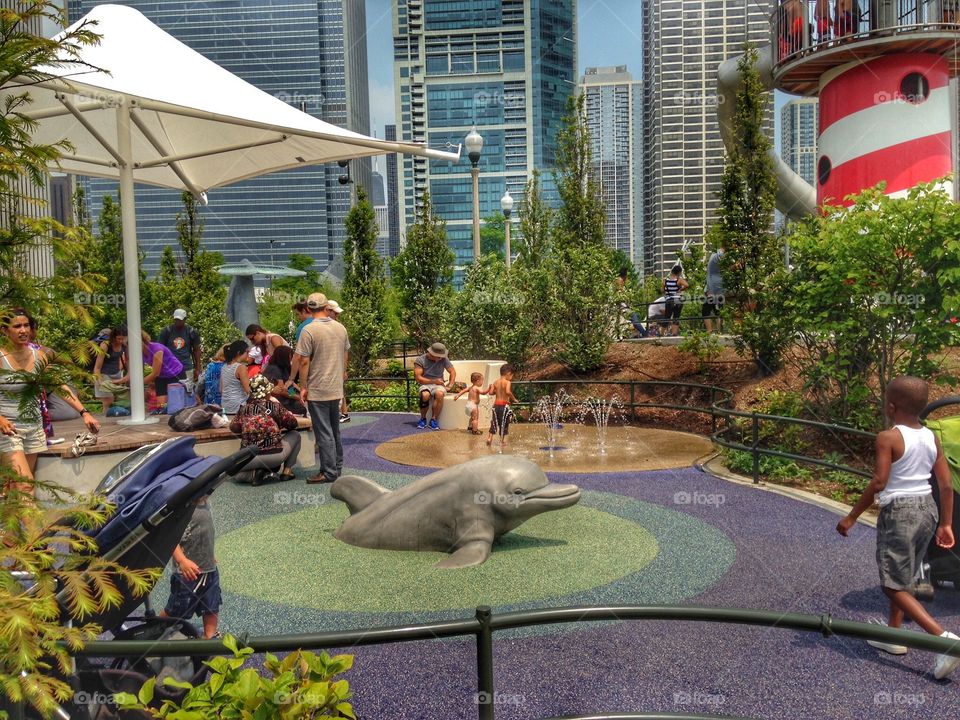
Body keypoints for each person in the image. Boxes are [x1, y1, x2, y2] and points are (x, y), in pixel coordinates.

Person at [836, 376, 960, 680]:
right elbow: (945, 484)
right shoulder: (932, 436)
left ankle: (942, 639)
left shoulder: (888, 437)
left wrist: (851, 517)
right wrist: (946, 523)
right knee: (905, 576)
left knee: (892, 584)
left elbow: (879, 481)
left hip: (901, 512)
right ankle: (895, 637)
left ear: (891, 406)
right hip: (927, 510)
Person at [0, 308, 100, 493]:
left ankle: (11, 520)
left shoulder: (39, 356)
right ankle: (38, 524)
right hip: (7, 430)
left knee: (15, 487)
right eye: (17, 326)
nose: (23, 330)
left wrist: (84, 413)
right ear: (5, 330)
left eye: (26, 325)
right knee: (25, 484)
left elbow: (58, 385)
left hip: (33, 427)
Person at [296, 293, 350, 485]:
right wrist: (341, 375)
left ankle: (328, 472)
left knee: (323, 431)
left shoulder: (308, 331)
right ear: (327, 307)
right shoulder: (340, 328)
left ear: (309, 309)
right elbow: (345, 356)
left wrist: (303, 387)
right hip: (335, 387)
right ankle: (337, 466)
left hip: (317, 388)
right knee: (335, 430)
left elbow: (303, 361)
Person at [159, 497, 220, 639]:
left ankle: (209, 636)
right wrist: (181, 560)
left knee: (212, 605)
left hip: (209, 568)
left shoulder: (205, 502)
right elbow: (170, 538)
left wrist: (209, 554)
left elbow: (205, 533)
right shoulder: (182, 507)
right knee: (176, 609)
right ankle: (156, 627)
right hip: (187, 573)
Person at [229, 374, 301, 483]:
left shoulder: (244, 409)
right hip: (274, 456)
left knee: (237, 476)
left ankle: (255, 474)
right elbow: (293, 424)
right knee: (295, 434)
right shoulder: (275, 406)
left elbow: (233, 428)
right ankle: (286, 472)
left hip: (249, 458)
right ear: (267, 392)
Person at [414, 342, 456, 430]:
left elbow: (452, 371)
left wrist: (450, 385)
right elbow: (418, 378)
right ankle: (423, 418)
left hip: (439, 384)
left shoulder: (444, 359)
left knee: (439, 394)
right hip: (425, 383)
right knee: (425, 395)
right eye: (438, 356)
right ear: (432, 354)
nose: (440, 358)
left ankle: (433, 420)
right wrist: (434, 381)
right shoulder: (420, 360)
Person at [158, 309, 201, 396]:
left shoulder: (191, 332)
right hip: (170, 368)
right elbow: (159, 350)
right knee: (171, 392)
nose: (178, 322)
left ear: (185, 319)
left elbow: (196, 350)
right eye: (176, 320)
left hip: (186, 367)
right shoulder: (166, 331)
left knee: (188, 392)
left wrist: (198, 368)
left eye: (180, 320)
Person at [141, 331, 185, 410]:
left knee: (176, 404)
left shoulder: (157, 349)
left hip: (175, 373)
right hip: (162, 375)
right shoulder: (139, 353)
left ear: (143, 341)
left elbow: (155, 373)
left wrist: (138, 384)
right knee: (161, 406)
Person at [92, 326, 128, 415]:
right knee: (108, 400)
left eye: (122, 339)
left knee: (118, 399)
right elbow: (97, 367)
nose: (120, 341)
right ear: (113, 337)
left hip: (116, 373)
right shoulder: (105, 345)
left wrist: (122, 378)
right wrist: (101, 382)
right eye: (118, 339)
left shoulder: (124, 344)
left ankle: (113, 416)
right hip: (103, 373)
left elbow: (126, 361)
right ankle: (105, 420)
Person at [260, 345, 305, 415]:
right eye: (291, 356)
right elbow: (282, 391)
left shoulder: (283, 368)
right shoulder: (274, 369)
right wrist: (298, 397)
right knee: (303, 408)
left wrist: (299, 393)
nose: (291, 358)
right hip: (279, 403)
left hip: (286, 401)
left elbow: (288, 387)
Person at [326, 300, 350, 423]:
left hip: (335, 368)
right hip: (333, 367)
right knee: (339, 390)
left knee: (338, 391)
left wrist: (344, 370)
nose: (337, 315)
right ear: (327, 311)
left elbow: (345, 352)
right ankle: (344, 413)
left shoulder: (339, 328)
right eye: (335, 313)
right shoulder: (337, 328)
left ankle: (343, 413)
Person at [485, 364, 518, 447]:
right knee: (504, 423)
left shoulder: (495, 382)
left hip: (496, 405)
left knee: (494, 422)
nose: (511, 378)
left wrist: (496, 391)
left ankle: (489, 438)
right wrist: (514, 399)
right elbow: (507, 392)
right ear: (508, 373)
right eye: (512, 376)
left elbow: (491, 393)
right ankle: (501, 441)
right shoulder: (507, 382)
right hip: (504, 405)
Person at [220, 340, 251, 415]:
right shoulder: (241, 367)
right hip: (239, 407)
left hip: (225, 406)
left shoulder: (224, 367)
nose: (248, 354)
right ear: (238, 353)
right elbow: (248, 390)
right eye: (247, 352)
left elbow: (221, 390)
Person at [702, 246, 725, 334]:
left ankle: (709, 331)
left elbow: (719, 255)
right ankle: (719, 331)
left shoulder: (715, 257)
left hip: (713, 290)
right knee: (718, 311)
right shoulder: (722, 269)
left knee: (706, 311)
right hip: (719, 290)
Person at [663, 265, 689, 337]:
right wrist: (680, 290)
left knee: (667, 317)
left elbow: (662, 290)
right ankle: (674, 333)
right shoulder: (679, 280)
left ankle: (661, 334)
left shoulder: (665, 281)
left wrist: (668, 292)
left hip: (669, 300)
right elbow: (687, 285)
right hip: (678, 300)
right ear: (679, 272)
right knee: (676, 316)